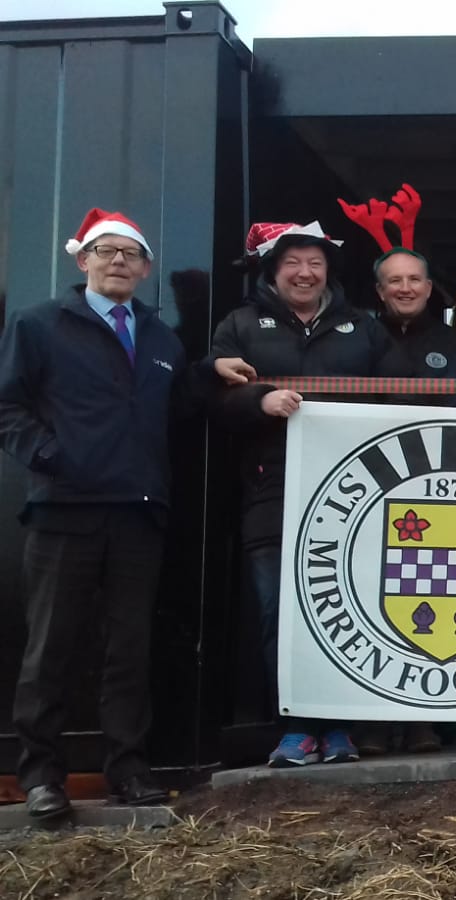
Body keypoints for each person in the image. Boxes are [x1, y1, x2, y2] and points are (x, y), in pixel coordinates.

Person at [1, 209, 250, 818]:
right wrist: (51, 456)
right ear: (82, 260)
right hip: (64, 510)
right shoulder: (38, 324)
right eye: (105, 252)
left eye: (130, 255)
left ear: (144, 270)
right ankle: (40, 777)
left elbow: (177, 398)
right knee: (50, 650)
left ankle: (128, 769)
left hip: (138, 513)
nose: (118, 262)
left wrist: (209, 370)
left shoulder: (160, 337)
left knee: (128, 650)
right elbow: (7, 406)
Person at [209, 220, 405, 767]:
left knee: (352, 609)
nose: (304, 272)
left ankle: (340, 725)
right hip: (272, 492)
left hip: (354, 499)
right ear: (273, 269)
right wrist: (258, 402)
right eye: (293, 262)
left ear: (328, 272)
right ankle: (294, 728)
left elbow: (398, 400)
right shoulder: (240, 325)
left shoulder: (363, 328)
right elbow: (210, 403)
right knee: (279, 613)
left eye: (315, 263)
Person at [340, 189, 454, 756]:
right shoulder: (355, 338)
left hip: (438, 503)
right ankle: (373, 722)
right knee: (372, 601)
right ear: (380, 289)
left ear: (430, 289)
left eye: (416, 280)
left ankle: (428, 720)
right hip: (372, 497)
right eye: (394, 281)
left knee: (427, 605)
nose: (406, 288)